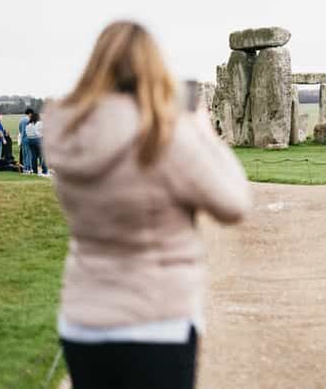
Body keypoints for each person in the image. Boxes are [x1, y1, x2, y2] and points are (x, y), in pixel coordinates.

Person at [43, 20, 252, 389]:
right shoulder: (163, 138)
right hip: (156, 319)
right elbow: (233, 203)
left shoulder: (69, 135)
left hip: (83, 318)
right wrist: (202, 132)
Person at [19, 108, 34, 174]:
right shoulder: (29, 120)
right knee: (29, 154)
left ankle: (25, 169)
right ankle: (29, 168)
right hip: (28, 138)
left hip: (22, 138)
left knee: (24, 154)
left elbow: (20, 129)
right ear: (30, 113)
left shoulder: (21, 120)